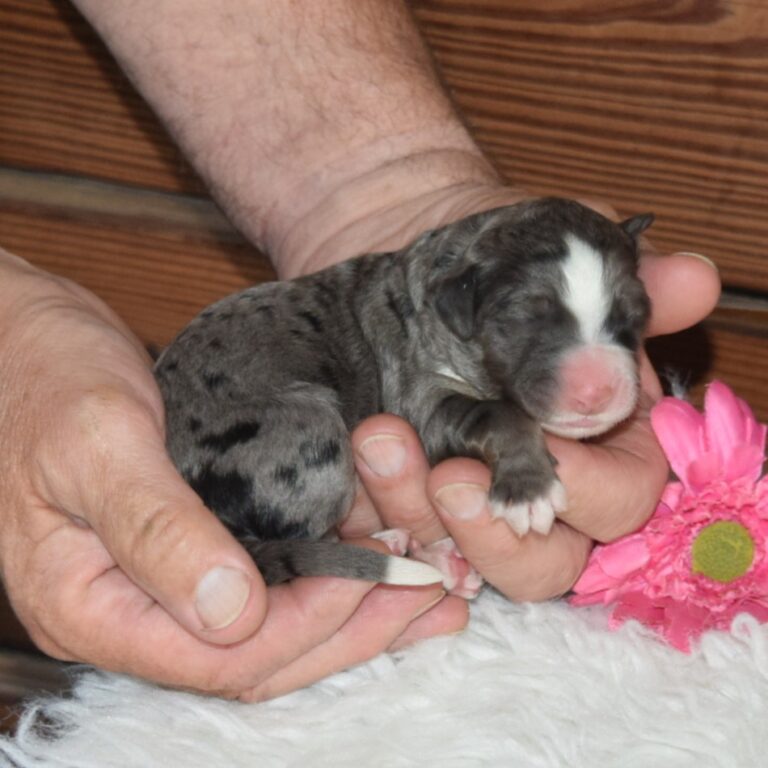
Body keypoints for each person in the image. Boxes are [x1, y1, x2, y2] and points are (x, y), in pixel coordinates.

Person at [0, 0, 720, 702]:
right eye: (534, 324)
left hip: (260, 420)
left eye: (622, 320)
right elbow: (432, 412)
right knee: (350, 446)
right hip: (250, 429)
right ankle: (294, 548)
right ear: (460, 302)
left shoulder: (443, 288)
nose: (597, 380)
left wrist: (387, 179)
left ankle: (345, 554)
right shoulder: (428, 316)